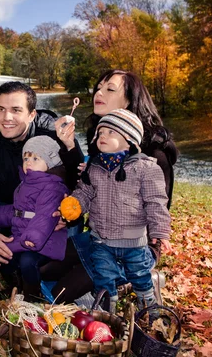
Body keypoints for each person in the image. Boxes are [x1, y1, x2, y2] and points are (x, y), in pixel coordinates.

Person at [42, 69, 179, 304]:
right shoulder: (103, 137)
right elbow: (86, 185)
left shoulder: (154, 152)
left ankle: (136, 280)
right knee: (42, 270)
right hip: (99, 237)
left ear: (129, 101)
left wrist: (158, 237)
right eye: (98, 86)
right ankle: (103, 287)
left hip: (134, 246)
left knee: (58, 296)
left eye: (110, 89)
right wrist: (69, 145)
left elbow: (157, 205)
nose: (99, 92)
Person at [0, 81, 83, 286]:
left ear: (31, 114)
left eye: (16, 110)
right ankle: (10, 258)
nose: (7, 118)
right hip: (11, 207)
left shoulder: (55, 136)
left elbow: (81, 182)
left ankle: (52, 274)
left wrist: (67, 214)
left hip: (51, 211)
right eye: (1, 109)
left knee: (69, 239)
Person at [61, 109, 172, 313]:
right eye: (100, 133)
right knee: (103, 276)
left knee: (140, 276)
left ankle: (149, 310)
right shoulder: (94, 167)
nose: (103, 136)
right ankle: (106, 311)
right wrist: (75, 205)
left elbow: (156, 202)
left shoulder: (145, 168)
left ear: (130, 139)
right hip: (101, 239)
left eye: (111, 133)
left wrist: (160, 231)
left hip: (134, 241)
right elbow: (85, 192)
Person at [0, 136, 69, 301]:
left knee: (28, 261)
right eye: (26, 158)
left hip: (45, 240)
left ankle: (32, 296)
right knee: (3, 254)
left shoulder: (52, 187)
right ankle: (15, 289)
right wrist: (0, 214)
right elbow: (19, 210)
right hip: (24, 235)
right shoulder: (26, 183)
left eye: (35, 158)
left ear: (50, 163)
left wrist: (34, 237)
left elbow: (45, 216)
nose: (28, 162)